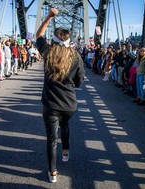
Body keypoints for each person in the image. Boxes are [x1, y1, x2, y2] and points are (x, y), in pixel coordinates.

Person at [35, 8, 85, 183]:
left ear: (53, 41)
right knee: (65, 126)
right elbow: (79, 81)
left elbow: (38, 35)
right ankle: (66, 152)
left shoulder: (48, 53)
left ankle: (53, 173)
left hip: (50, 104)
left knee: (51, 139)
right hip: (69, 105)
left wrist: (49, 16)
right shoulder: (76, 57)